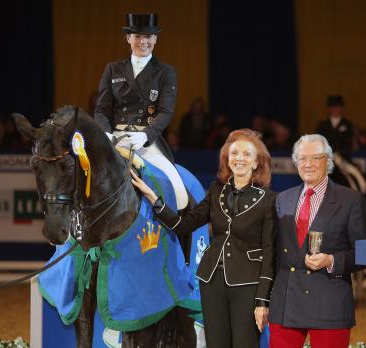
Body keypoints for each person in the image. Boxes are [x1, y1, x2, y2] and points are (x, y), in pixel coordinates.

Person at [131, 129, 277, 348]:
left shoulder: (269, 200)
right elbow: (184, 225)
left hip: (248, 284)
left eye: (247, 154)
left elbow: (269, 252)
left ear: (257, 163)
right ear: (227, 158)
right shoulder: (216, 190)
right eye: (234, 153)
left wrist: (262, 301)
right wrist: (155, 200)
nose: (239, 158)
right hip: (212, 282)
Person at [268, 134, 366, 348]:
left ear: (328, 161)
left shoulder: (350, 200)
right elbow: (273, 254)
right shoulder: (282, 199)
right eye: (303, 158)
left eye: (316, 158)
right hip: (285, 304)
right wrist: (264, 300)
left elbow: (363, 254)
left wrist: (331, 261)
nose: (309, 164)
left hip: (329, 304)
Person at [94, 13, 188, 210]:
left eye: (148, 37)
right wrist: (106, 134)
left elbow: (165, 112)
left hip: (146, 142)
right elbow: (101, 110)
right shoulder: (113, 69)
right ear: (128, 39)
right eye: (137, 36)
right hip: (115, 139)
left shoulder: (165, 72)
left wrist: (144, 136)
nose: (143, 42)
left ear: (155, 39)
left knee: (179, 191)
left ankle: (182, 234)